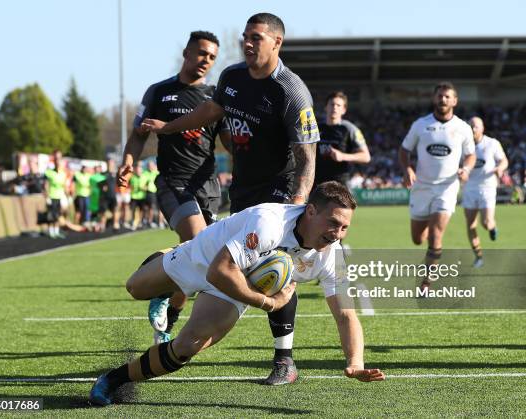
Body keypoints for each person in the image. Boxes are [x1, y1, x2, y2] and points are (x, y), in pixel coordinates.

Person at [88, 182, 385, 406]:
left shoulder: (332, 255)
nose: (338, 233)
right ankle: (171, 259)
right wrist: (268, 302)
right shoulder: (269, 224)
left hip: (235, 283)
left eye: (345, 227)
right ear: (310, 210)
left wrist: (355, 361)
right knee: (134, 288)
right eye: (333, 222)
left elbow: (346, 314)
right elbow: (219, 270)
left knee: (188, 345)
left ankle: (112, 380)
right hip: (203, 257)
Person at [141, 13, 319, 385]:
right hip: (242, 191)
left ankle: (284, 360)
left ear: (276, 43)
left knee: (281, 269)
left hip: (280, 192)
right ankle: (169, 279)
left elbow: (307, 154)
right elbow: (210, 111)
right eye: (245, 37)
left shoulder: (291, 90)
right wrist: (167, 127)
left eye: (256, 37)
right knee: (218, 256)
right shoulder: (232, 77)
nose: (248, 43)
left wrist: (297, 206)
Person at [117, 30, 225, 344]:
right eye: (202, 53)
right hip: (173, 182)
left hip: (208, 186)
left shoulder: (216, 97)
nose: (206, 60)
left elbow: (231, 142)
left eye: (212, 57)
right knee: (197, 241)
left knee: (201, 259)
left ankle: (166, 327)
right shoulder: (160, 92)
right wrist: (128, 161)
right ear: (187, 53)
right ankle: (159, 289)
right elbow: (139, 134)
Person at [398, 81, 475, 291]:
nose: (443, 99)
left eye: (447, 96)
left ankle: (427, 282)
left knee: (435, 234)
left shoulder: (463, 128)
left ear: (455, 101)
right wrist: (408, 169)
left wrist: (466, 170)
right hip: (421, 187)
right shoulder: (420, 125)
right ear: (434, 98)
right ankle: (429, 252)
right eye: (440, 96)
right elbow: (404, 150)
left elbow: (470, 155)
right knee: (417, 238)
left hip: (447, 188)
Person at [462, 116, 508, 267]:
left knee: (486, 223)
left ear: (482, 128)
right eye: (470, 126)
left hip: (487, 187)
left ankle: (492, 227)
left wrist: (500, 168)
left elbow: (504, 160)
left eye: (475, 126)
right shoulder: (463, 145)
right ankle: (479, 256)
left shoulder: (492, 143)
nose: (472, 129)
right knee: (470, 225)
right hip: (469, 188)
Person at [315, 91, 371, 187]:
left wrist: (343, 156)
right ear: (326, 107)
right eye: (332, 104)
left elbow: (366, 157)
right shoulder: (315, 128)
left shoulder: (349, 129)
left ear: (344, 110)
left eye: (338, 105)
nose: (334, 108)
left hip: (340, 183)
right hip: (317, 183)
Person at [44, 150, 68, 239]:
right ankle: (51, 231)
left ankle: (56, 231)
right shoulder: (49, 172)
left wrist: (67, 197)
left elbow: (64, 186)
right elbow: (46, 185)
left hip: (60, 196)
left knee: (58, 215)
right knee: (51, 215)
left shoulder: (62, 173)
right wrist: (47, 197)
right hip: (52, 196)